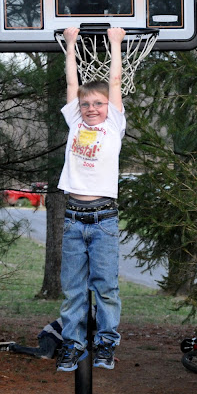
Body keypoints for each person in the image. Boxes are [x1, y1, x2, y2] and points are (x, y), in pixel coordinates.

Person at [56, 26, 126, 372]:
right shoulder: (75, 122)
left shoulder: (113, 125)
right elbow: (73, 84)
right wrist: (70, 45)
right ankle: (72, 344)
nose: (91, 108)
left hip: (104, 220)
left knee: (106, 288)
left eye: (98, 103)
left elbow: (115, 81)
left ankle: (105, 344)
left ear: (109, 107)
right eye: (86, 104)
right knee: (72, 290)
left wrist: (116, 43)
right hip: (73, 218)